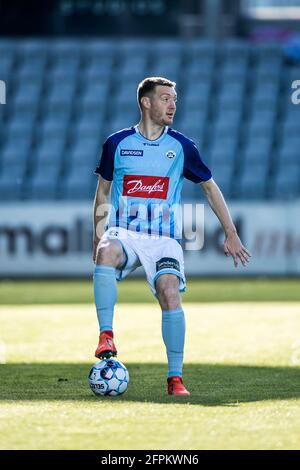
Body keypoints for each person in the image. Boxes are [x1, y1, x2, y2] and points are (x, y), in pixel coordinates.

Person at [92, 77, 251, 396]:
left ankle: (175, 378)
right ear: (146, 103)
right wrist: (98, 237)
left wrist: (230, 232)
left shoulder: (181, 146)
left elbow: (209, 186)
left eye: (175, 99)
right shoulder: (117, 143)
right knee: (107, 249)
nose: (173, 105)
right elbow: (103, 191)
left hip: (163, 239)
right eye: (165, 98)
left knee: (169, 292)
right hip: (126, 232)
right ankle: (106, 335)